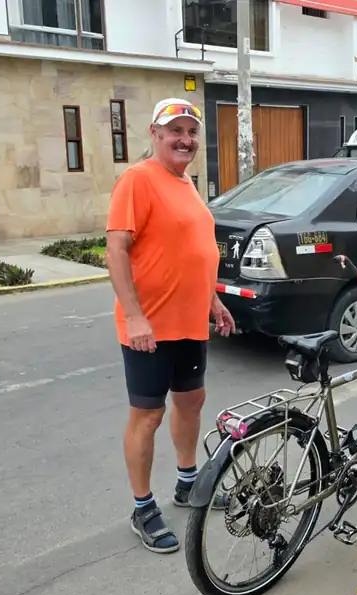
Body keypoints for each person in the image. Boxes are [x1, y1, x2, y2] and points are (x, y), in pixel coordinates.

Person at [105, 97, 237, 554]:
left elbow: (191, 252)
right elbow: (117, 250)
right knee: (148, 414)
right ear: (155, 135)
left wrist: (214, 300)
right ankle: (142, 507)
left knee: (191, 402)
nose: (185, 140)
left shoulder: (187, 184)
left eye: (192, 133)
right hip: (150, 326)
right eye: (175, 131)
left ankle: (187, 482)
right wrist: (136, 315)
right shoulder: (137, 179)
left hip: (189, 322)